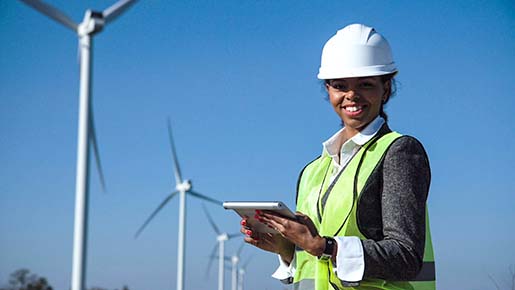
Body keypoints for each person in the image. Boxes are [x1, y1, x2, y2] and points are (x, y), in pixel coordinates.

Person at [240, 23, 435, 290]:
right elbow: (322, 265)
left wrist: (323, 245)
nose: (351, 95)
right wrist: (287, 248)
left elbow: (406, 257)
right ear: (329, 90)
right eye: (340, 86)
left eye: (365, 84)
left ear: (386, 89)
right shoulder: (313, 171)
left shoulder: (399, 152)